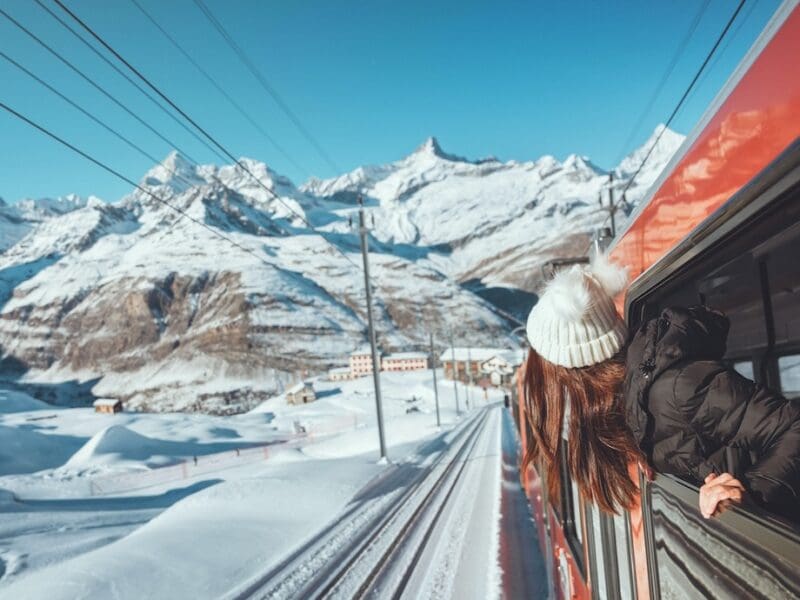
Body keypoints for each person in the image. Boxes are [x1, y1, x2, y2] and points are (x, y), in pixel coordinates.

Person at [522, 255, 800, 521]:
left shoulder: (677, 387)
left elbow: (792, 425)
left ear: (575, 378)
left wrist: (749, 496)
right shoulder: (635, 405)